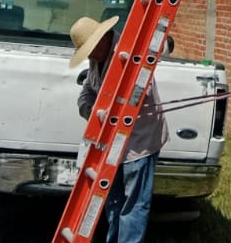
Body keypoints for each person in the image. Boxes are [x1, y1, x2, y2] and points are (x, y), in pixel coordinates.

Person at [69, 13, 167, 243]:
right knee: (112, 201)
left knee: (134, 205)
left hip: (138, 142)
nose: (90, 56)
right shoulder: (98, 57)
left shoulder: (129, 55)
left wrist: (109, 111)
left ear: (103, 38)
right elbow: (87, 91)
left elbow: (139, 94)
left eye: (91, 49)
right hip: (111, 142)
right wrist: (91, 110)